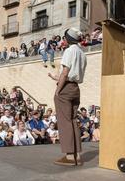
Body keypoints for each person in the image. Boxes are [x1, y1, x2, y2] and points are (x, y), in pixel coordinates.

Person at [48, 27, 87, 166]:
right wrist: (55, 77)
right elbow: (73, 74)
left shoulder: (69, 51)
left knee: (64, 121)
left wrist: (58, 90)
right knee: (72, 120)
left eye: (64, 38)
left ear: (68, 39)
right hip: (76, 88)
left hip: (66, 88)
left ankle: (69, 157)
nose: (63, 40)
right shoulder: (82, 53)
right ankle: (77, 156)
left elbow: (65, 73)